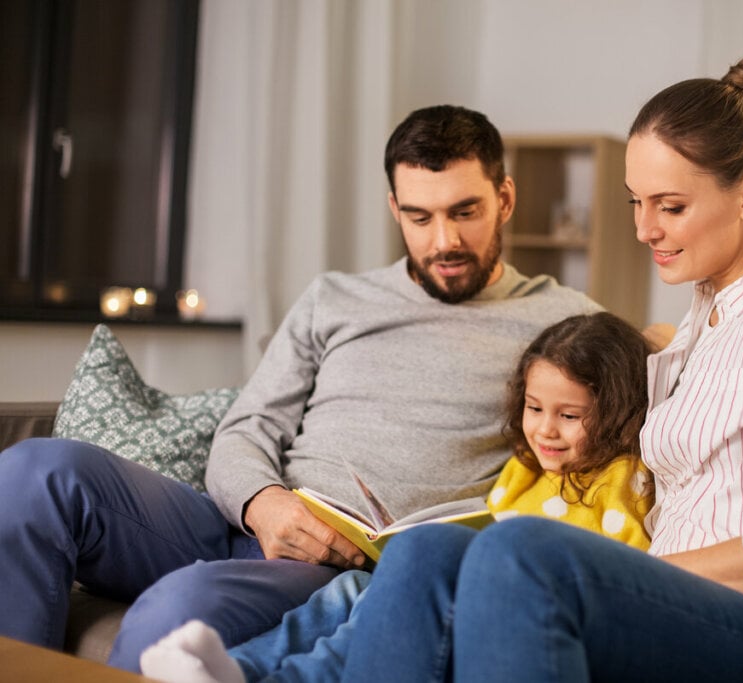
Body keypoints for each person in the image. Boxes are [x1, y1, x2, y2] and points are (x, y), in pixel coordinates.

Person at [197, 55, 743, 683]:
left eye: (671, 206)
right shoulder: (702, 324)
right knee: (425, 554)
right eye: (636, 202)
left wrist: (645, 575)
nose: (643, 228)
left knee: (522, 552)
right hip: (670, 598)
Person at [0, 105, 601, 672]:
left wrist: (654, 341)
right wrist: (262, 503)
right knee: (38, 471)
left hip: (341, 562)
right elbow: (248, 425)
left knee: (177, 610)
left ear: (505, 198)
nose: (442, 240)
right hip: (248, 519)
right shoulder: (334, 298)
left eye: (464, 212)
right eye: (420, 217)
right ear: (395, 208)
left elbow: (635, 391)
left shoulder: (565, 323)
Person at [139, 311, 655, 682]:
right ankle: (237, 666)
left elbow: (618, 567)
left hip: (497, 603)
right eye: (534, 408)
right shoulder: (526, 468)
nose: (546, 430)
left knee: (365, 617)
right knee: (341, 597)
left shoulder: (622, 479)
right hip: (449, 584)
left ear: (615, 412)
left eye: (569, 416)